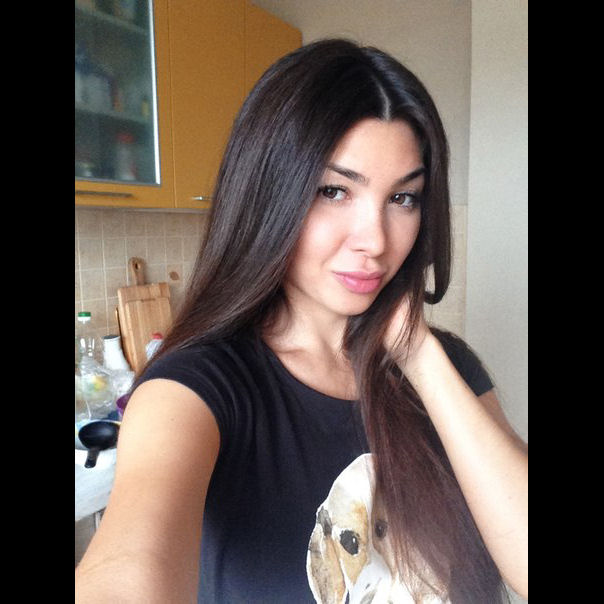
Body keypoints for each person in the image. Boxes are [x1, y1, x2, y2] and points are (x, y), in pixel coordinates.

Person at [75, 39, 528, 603]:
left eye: (403, 199)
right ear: (269, 195)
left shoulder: (447, 365)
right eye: (334, 191)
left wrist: (419, 355)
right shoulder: (198, 388)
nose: (375, 241)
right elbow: (127, 566)